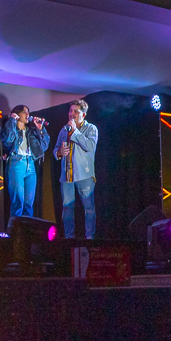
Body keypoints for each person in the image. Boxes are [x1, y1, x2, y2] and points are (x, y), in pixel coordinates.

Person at [54, 98, 99, 239]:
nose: (71, 114)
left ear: (83, 115)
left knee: (89, 208)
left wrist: (75, 131)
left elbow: (89, 146)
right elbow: (56, 149)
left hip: (84, 175)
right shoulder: (64, 129)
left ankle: (90, 238)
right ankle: (69, 238)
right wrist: (59, 152)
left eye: (75, 111)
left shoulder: (91, 128)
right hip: (67, 175)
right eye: (70, 110)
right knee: (67, 208)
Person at [1, 104, 50, 219]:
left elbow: (44, 146)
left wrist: (40, 129)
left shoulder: (31, 131)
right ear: (17, 115)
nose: (28, 115)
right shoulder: (12, 128)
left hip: (30, 165)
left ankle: (27, 232)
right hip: (16, 162)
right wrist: (12, 121)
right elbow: (8, 139)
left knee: (29, 203)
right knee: (18, 202)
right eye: (24, 112)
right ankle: (14, 232)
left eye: (28, 112)